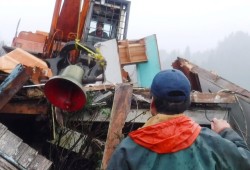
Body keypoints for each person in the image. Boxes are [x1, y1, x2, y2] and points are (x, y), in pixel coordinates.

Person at [107, 69, 250, 170]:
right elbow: (245, 162)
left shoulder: (128, 150)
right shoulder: (210, 142)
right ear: (187, 103)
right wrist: (226, 131)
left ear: (152, 104)